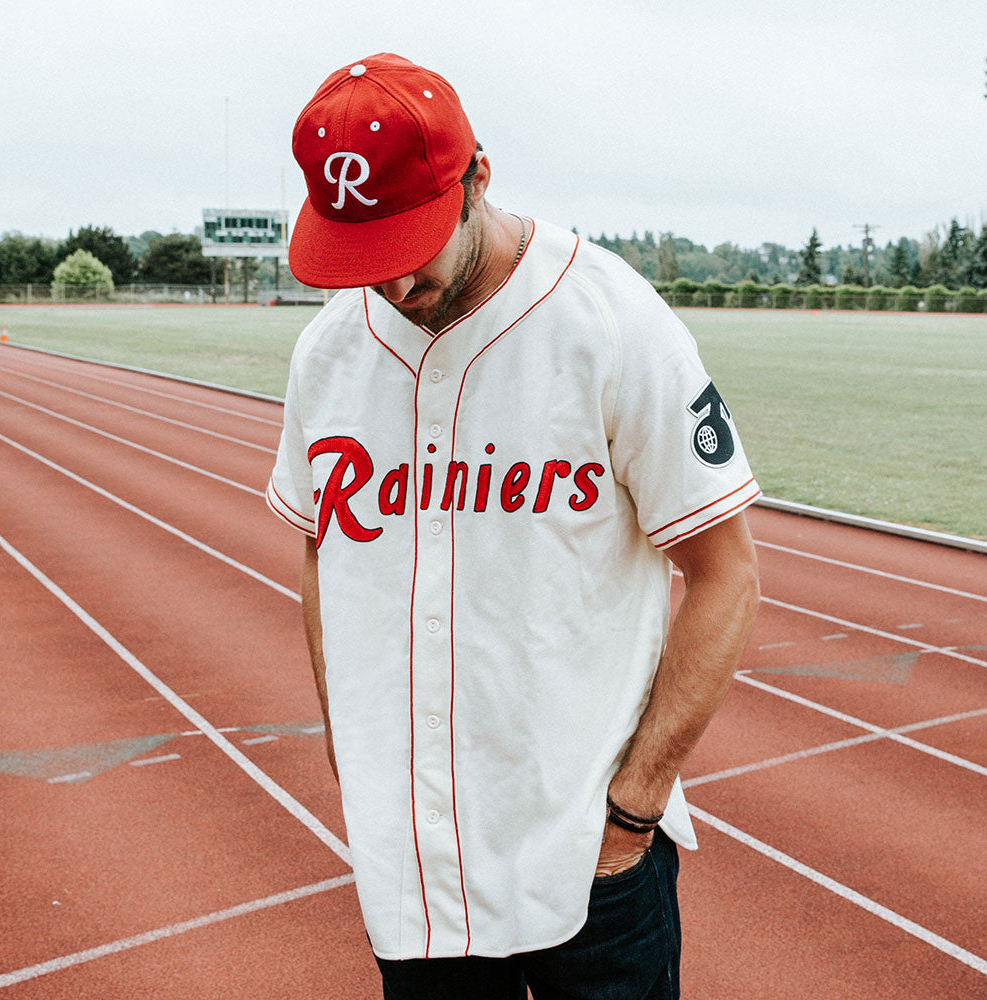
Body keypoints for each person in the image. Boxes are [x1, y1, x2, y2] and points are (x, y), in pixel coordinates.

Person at [267, 52, 761, 1000]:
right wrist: (351, 754)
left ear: (477, 177)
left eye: (412, 252)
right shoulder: (329, 355)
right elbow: (321, 554)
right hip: (412, 865)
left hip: (588, 859)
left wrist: (634, 812)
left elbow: (727, 571)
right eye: (364, 260)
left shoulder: (611, 321)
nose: (391, 288)